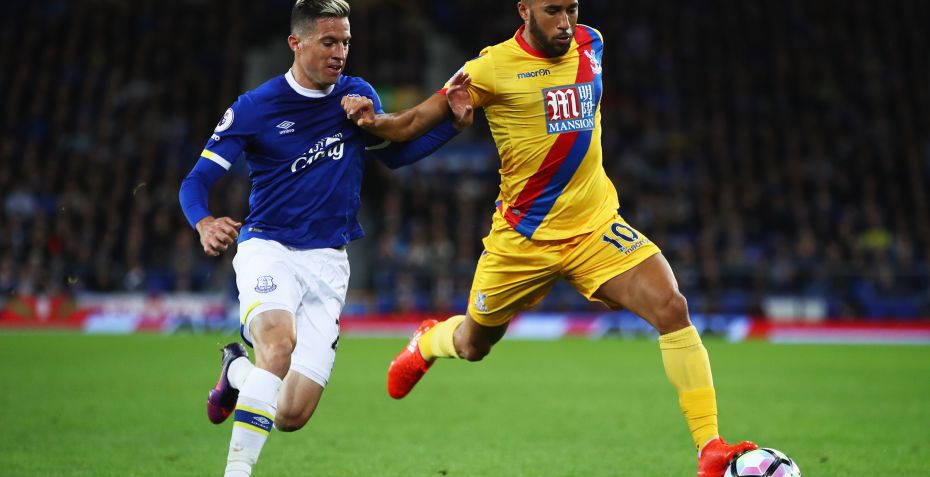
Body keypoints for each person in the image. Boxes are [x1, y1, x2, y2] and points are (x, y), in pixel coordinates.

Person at [341, 1, 756, 476]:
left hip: (595, 227)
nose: (566, 22)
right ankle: (428, 341)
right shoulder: (490, 68)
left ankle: (710, 449)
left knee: (672, 307)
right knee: (475, 344)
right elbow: (413, 123)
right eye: (553, 10)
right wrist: (374, 122)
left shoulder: (591, 43)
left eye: (572, 9)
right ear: (525, 10)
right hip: (523, 240)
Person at [178, 1, 472, 476]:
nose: (340, 52)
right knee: (278, 346)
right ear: (295, 43)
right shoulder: (255, 107)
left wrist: (452, 128)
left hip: (329, 262)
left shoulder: (356, 95)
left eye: (346, 43)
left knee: (290, 414)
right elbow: (195, 181)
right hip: (268, 247)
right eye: (329, 42)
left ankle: (236, 370)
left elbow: (395, 156)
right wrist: (204, 222)